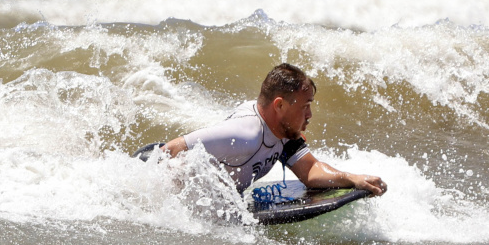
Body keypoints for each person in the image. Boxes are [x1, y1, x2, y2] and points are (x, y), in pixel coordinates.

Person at [159, 63, 387, 196]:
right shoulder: (244, 134)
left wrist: (351, 178)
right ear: (279, 105)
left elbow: (311, 171)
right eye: (305, 106)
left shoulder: (283, 133)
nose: (310, 115)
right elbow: (171, 149)